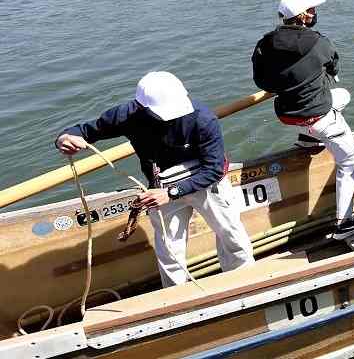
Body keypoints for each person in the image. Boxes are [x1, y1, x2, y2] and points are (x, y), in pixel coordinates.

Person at [55, 72, 254, 288]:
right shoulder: (125, 116)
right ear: (142, 108)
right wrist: (65, 139)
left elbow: (213, 169)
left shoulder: (203, 119)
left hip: (206, 182)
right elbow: (83, 131)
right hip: (160, 187)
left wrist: (171, 193)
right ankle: (175, 296)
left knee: (232, 236)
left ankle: (243, 282)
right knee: (170, 251)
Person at [252, 0, 354, 241]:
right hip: (316, 116)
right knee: (350, 159)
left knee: (343, 96)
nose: (315, 14)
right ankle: (345, 223)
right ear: (304, 16)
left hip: (287, 114)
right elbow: (334, 66)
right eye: (312, 10)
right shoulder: (318, 42)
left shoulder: (264, 44)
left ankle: (309, 140)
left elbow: (261, 80)